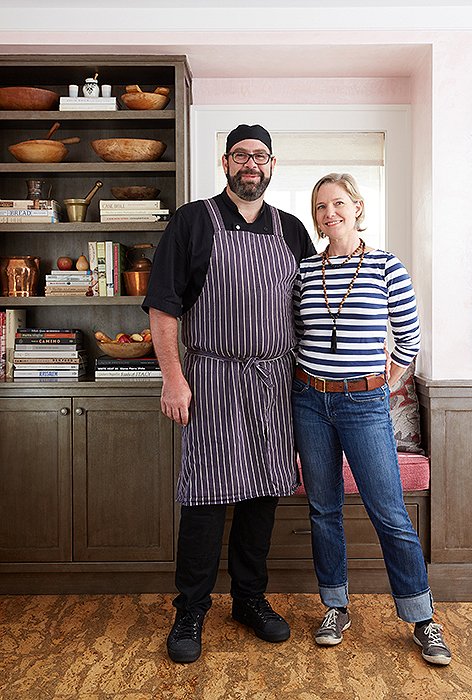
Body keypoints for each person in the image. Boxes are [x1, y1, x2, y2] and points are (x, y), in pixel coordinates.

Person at [143, 124, 315, 664]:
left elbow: (312, 307)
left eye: (260, 156)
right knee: (205, 499)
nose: (251, 164)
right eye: (241, 155)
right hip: (211, 378)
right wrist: (174, 378)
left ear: (271, 165)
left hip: (273, 381)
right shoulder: (193, 220)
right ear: (225, 163)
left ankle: (249, 599)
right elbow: (163, 306)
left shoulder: (290, 230)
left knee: (262, 495)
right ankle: (190, 609)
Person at [291, 172, 452, 666]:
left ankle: (423, 619)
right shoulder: (302, 270)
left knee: (389, 513)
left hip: (364, 405)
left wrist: (383, 378)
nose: (329, 213)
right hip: (310, 402)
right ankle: (335, 607)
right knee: (324, 509)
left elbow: (408, 339)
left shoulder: (386, 266)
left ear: (358, 207)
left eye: (338, 203)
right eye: (320, 207)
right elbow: (293, 334)